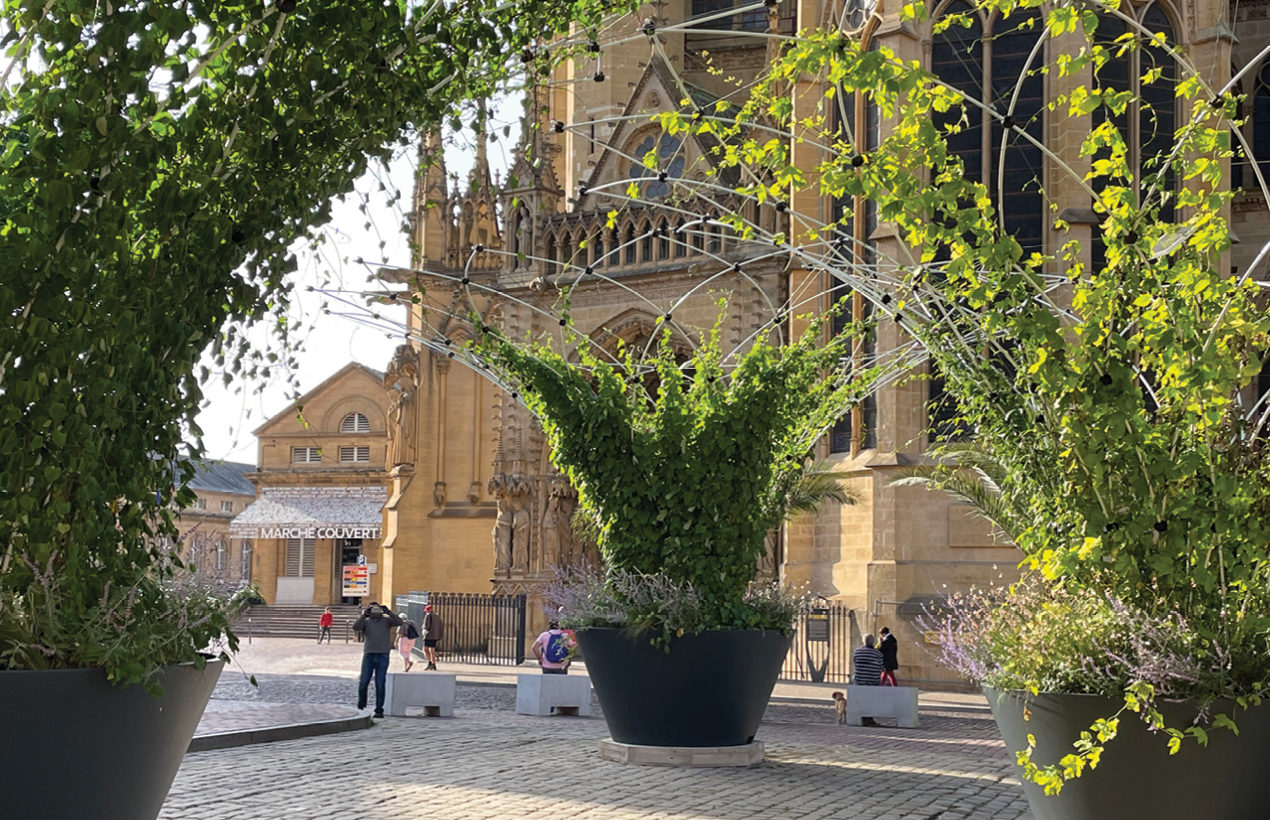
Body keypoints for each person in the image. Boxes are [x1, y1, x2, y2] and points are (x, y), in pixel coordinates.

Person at [353, 602, 402, 718]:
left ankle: (379, 709)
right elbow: (355, 627)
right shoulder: (365, 621)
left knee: (380, 683)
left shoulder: (386, 621)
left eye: (377, 609)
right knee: (363, 682)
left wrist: (388, 612)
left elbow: (399, 622)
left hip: (383, 655)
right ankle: (361, 705)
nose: (375, 612)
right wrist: (364, 615)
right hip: (369, 654)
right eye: (372, 610)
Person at [851, 633, 885, 726]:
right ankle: (868, 717)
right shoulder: (877, 653)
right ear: (873, 642)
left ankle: (863, 716)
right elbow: (881, 667)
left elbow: (855, 662)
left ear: (863, 641)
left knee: (854, 678)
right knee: (876, 692)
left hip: (859, 680)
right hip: (872, 681)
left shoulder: (857, 651)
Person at [421, 604, 443, 670]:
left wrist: (424, 630)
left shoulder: (427, 616)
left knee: (425, 649)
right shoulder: (438, 616)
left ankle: (429, 662)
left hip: (428, 635)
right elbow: (440, 626)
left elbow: (426, 626)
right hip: (435, 635)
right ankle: (434, 664)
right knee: (432, 650)